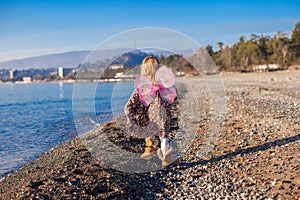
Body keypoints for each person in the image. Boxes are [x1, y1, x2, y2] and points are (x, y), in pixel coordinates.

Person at [124, 55, 177, 166]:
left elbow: (132, 101)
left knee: (149, 130)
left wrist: (130, 112)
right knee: (163, 137)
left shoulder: (143, 86)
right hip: (162, 114)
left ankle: (149, 147)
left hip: (148, 115)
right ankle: (166, 158)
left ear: (144, 69)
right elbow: (173, 96)